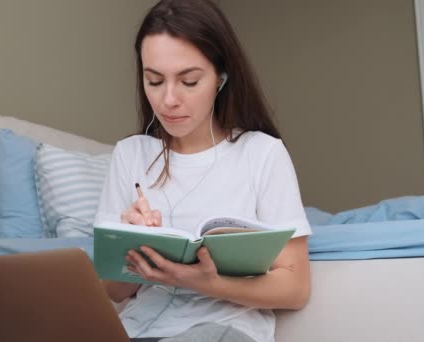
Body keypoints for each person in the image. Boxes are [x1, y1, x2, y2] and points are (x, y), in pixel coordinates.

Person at [94, 0, 312, 341]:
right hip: (138, 329)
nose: (168, 100)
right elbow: (114, 290)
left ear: (220, 78)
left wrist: (209, 284)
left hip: (225, 328)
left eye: (189, 81)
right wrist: (132, 246)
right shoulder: (129, 155)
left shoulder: (262, 153)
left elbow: (295, 287)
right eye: (154, 81)